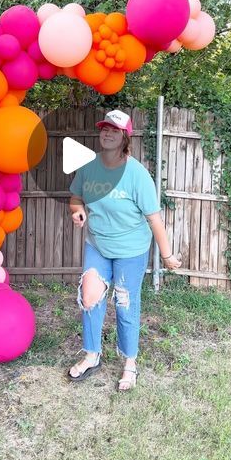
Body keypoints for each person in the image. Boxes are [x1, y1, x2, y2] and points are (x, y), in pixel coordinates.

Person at [68, 109, 181, 391]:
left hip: (130, 250)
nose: (107, 133)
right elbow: (76, 196)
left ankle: (130, 362)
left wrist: (166, 255)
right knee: (89, 295)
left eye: (114, 130)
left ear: (124, 137)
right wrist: (78, 210)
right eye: (105, 128)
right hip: (98, 245)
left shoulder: (137, 174)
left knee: (124, 302)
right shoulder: (89, 166)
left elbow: (154, 218)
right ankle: (92, 354)